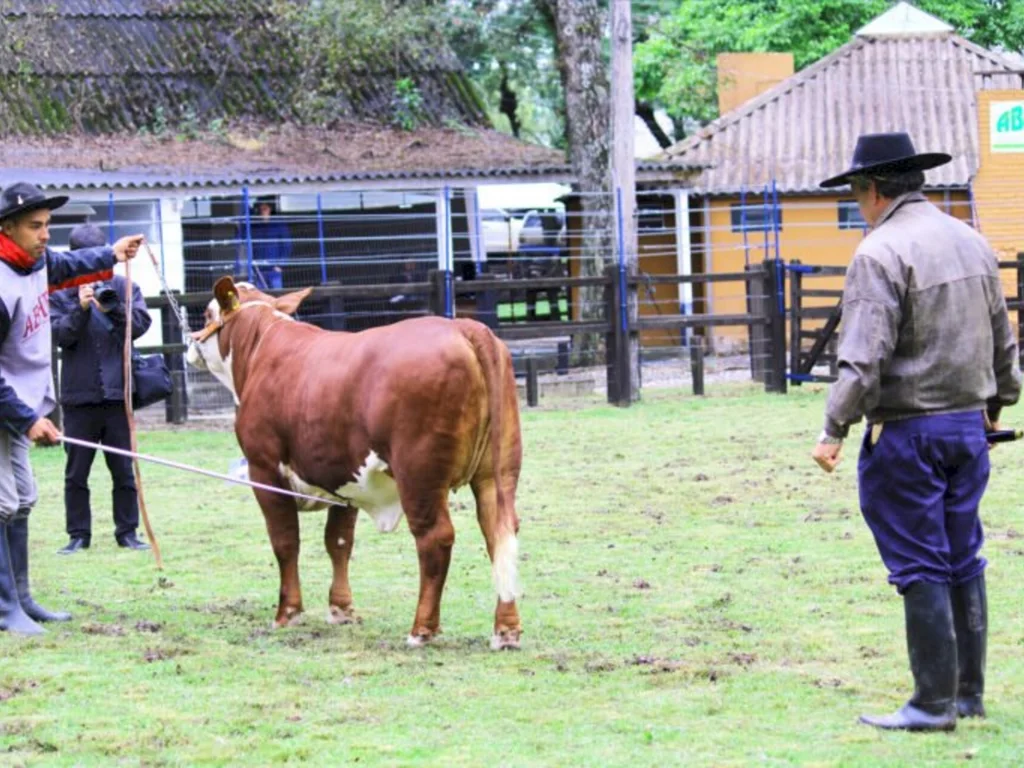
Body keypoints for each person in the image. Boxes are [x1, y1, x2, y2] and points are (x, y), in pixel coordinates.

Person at [811, 133, 1022, 732]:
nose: (858, 204)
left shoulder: (879, 254)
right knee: (963, 554)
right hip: (968, 430)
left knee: (920, 561)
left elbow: (862, 357)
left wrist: (834, 427)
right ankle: (967, 693)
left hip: (908, 433)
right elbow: (1003, 338)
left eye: (856, 193)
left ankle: (931, 703)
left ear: (873, 189)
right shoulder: (972, 241)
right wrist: (1001, 400)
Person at [0, 182, 142, 635]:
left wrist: (113, 253)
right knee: (1, 502)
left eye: (48, 226)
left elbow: (69, 264)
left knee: (23, 498)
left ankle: (21, 598)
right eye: (34, 226)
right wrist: (28, 419)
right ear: (7, 228)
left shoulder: (37, 264)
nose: (45, 235)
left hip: (19, 407)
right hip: (8, 408)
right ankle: (5, 609)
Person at [50, 223, 153, 555]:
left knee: (123, 470)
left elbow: (139, 327)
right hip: (78, 396)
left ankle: (128, 532)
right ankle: (78, 535)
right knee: (76, 473)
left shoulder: (124, 287)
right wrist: (80, 309)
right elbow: (60, 336)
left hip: (117, 395)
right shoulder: (59, 292)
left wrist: (114, 308)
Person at [241, 198, 292, 291]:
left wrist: (280, 265)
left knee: (277, 296)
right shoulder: (254, 227)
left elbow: (287, 246)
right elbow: (244, 239)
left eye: (264, 209)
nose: (262, 212)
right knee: (261, 297)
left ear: (269, 209)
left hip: (274, 269)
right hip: (259, 269)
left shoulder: (278, 225)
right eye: (260, 209)